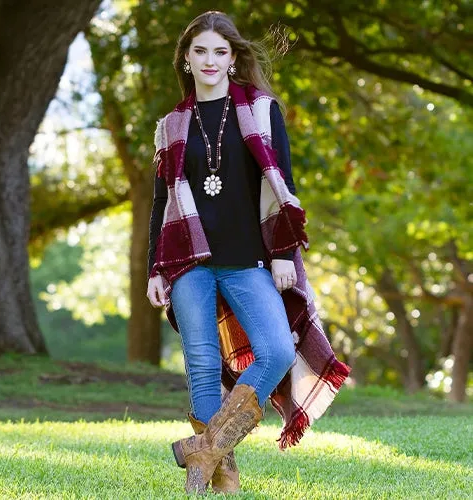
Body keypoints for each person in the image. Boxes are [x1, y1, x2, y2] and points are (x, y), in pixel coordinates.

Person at [146, 11, 350, 495]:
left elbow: (283, 185)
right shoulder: (172, 125)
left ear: (233, 58)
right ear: (187, 60)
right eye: (200, 51)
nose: (210, 60)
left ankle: (207, 446)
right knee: (200, 366)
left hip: (248, 261)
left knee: (276, 349)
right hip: (189, 262)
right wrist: (156, 267)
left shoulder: (261, 110)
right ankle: (221, 479)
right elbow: (162, 202)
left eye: (220, 51)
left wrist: (283, 252)